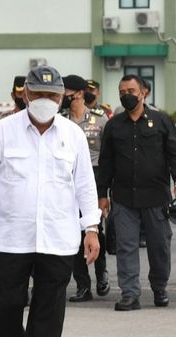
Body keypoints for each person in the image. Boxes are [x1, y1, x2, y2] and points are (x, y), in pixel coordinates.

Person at [0, 66, 101, 337]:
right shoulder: (1, 132)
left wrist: (91, 228)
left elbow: (85, 186)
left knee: (50, 310)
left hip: (58, 237)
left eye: (52, 96)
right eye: (38, 95)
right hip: (13, 237)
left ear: (62, 97)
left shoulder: (72, 135)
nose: (45, 101)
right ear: (25, 95)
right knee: (6, 302)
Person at [97, 74, 176, 311]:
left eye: (130, 90)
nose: (126, 95)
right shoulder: (114, 125)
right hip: (124, 197)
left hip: (156, 197)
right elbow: (105, 162)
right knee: (126, 245)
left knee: (160, 245)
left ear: (143, 93)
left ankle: (159, 287)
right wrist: (102, 194)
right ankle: (130, 294)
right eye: (122, 91)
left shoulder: (160, 121)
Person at [61, 74, 110, 303]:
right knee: (74, 235)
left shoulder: (100, 120)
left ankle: (102, 275)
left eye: (67, 91)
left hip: (95, 178)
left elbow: (109, 156)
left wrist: (104, 193)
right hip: (68, 182)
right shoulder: (60, 119)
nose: (63, 95)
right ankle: (83, 285)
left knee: (94, 231)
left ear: (79, 94)